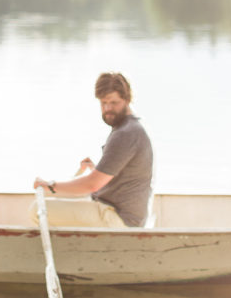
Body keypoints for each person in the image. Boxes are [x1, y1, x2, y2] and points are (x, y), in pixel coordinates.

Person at [33, 72, 153, 228]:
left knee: (36, 209)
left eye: (114, 102)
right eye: (103, 103)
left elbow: (92, 185)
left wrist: (49, 186)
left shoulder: (126, 133)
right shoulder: (131, 128)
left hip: (119, 218)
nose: (108, 108)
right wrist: (96, 169)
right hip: (121, 213)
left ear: (127, 99)